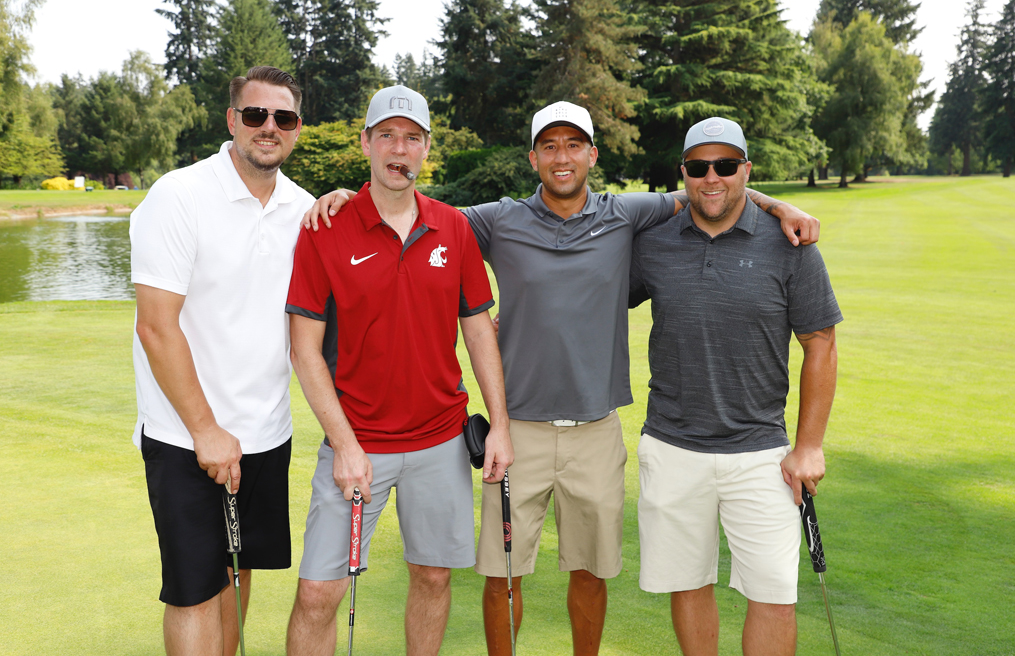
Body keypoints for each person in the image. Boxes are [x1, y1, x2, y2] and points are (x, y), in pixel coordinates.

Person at [304, 101, 820, 656]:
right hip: (516, 429)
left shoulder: (626, 213)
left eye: (574, 145)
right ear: (533, 157)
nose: (562, 157)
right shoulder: (496, 219)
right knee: (503, 574)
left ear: (592, 154)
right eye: (549, 146)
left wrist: (776, 202)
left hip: (596, 429)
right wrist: (346, 198)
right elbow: (415, 211)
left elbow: (711, 191)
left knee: (590, 572)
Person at [283, 85, 512, 656]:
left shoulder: (452, 227)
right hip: (356, 444)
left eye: (412, 138)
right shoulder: (326, 227)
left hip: (441, 441)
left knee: (433, 577)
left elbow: (479, 328)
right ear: (366, 142)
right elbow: (303, 349)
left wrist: (501, 425)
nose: (399, 149)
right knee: (318, 592)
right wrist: (344, 444)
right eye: (387, 134)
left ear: (426, 148)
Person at [629, 117, 842, 656]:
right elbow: (582, 273)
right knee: (689, 583)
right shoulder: (651, 241)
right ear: (684, 174)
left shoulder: (790, 243)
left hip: (763, 454)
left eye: (726, 165)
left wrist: (810, 445)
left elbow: (820, 342)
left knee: (773, 594)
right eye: (700, 167)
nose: (712, 178)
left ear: (746, 169)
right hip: (672, 446)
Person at [130, 66, 313, 656]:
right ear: (233, 120)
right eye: (256, 115)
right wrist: (205, 430)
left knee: (239, 573)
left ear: (296, 129)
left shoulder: (304, 209)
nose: (268, 127)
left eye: (282, 118)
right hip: (186, 436)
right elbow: (157, 327)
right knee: (194, 591)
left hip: (265, 433)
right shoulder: (179, 195)